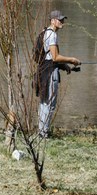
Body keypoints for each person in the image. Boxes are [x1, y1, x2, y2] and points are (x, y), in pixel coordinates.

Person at [36, 10, 81, 139]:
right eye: (59, 19)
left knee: (44, 103)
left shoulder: (44, 33)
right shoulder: (52, 35)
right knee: (50, 104)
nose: (62, 22)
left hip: (44, 71)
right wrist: (72, 60)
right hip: (50, 73)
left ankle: (42, 132)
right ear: (52, 20)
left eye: (62, 20)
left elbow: (49, 57)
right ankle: (43, 134)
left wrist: (63, 66)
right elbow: (55, 57)